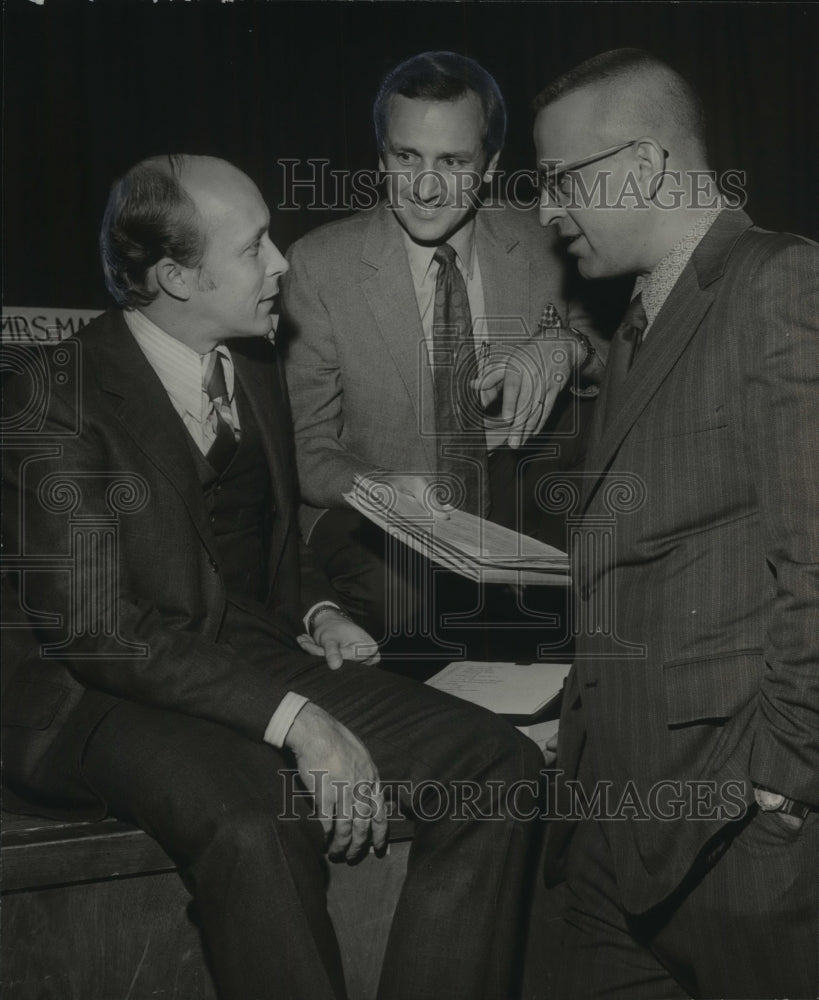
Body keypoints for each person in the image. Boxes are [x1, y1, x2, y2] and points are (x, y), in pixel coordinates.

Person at [0, 154, 544, 1000]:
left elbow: (274, 541)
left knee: (499, 768)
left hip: (247, 657)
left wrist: (319, 610)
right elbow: (100, 633)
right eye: (254, 247)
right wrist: (300, 722)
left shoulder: (252, 366)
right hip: (97, 693)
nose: (282, 264)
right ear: (177, 277)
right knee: (256, 822)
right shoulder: (49, 394)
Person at [532, 49, 818, 999]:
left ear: (645, 166)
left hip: (738, 839)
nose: (545, 211)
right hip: (612, 831)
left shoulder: (779, 281)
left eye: (560, 180)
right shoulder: (634, 323)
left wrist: (778, 785)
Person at [282, 51, 607, 648]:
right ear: (381, 155)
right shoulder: (318, 266)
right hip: (376, 524)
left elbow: (614, 353)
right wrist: (385, 487)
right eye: (407, 157)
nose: (427, 188)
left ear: (490, 165)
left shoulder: (542, 242)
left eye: (454, 161)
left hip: (512, 511)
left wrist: (567, 346)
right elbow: (305, 448)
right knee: (406, 604)